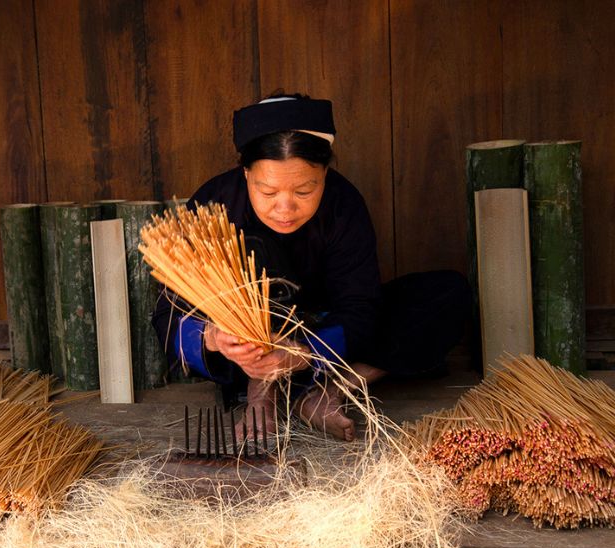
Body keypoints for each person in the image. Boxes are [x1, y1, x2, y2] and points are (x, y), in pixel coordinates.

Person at [152, 93, 470, 441]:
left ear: (325, 173)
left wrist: (304, 354)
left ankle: (334, 389)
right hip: (245, 357)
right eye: (268, 192)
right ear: (246, 174)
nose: (285, 209)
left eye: (305, 190)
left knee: (447, 294)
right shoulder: (213, 206)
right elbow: (169, 316)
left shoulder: (343, 204)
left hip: (324, 343)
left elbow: (361, 307)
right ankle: (261, 393)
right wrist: (214, 338)